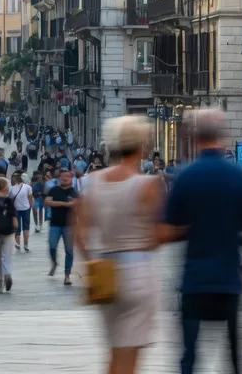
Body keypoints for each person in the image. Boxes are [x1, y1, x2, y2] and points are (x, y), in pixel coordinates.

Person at [161, 109, 242, 374]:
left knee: (189, 356)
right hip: (228, 280)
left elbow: (164, 232)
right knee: (234, 354)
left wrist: (190, 229)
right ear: (222, 137)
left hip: (194, 280)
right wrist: (235, 233)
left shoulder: (185, 177)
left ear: (196, 139)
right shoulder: (238, 176)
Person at [74, 117, 163, 374]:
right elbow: (156, 236)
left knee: (114, 352)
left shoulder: (92, 182)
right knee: (130, 357)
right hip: (138, 273)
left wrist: (92, 261)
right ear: (140, 148)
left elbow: (79, 233)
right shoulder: (147, 184)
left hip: (106, 272)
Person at [45, 169, 79, 285]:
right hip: (55, 223)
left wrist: (57, 203)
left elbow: (75, 203)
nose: (65, 179)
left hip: (69, 225)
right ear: (59, 178)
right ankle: (54, 263)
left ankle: (67, 275)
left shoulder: (73, 191)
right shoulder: (53, 190)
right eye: (63, 177)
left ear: (71, 179)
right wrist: (64, 204)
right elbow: (47, 201)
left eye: (67, 177)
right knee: (52, 246)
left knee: (69, 250)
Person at [10, 172, 32, 252]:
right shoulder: (28, 187)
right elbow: (30, 199)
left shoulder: (12, 188)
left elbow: (10, 200)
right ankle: (26, 244)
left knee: (17, 227)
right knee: (26, 227)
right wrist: (30, 207)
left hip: (16, 209)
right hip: (26, 208)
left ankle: (18, 243)